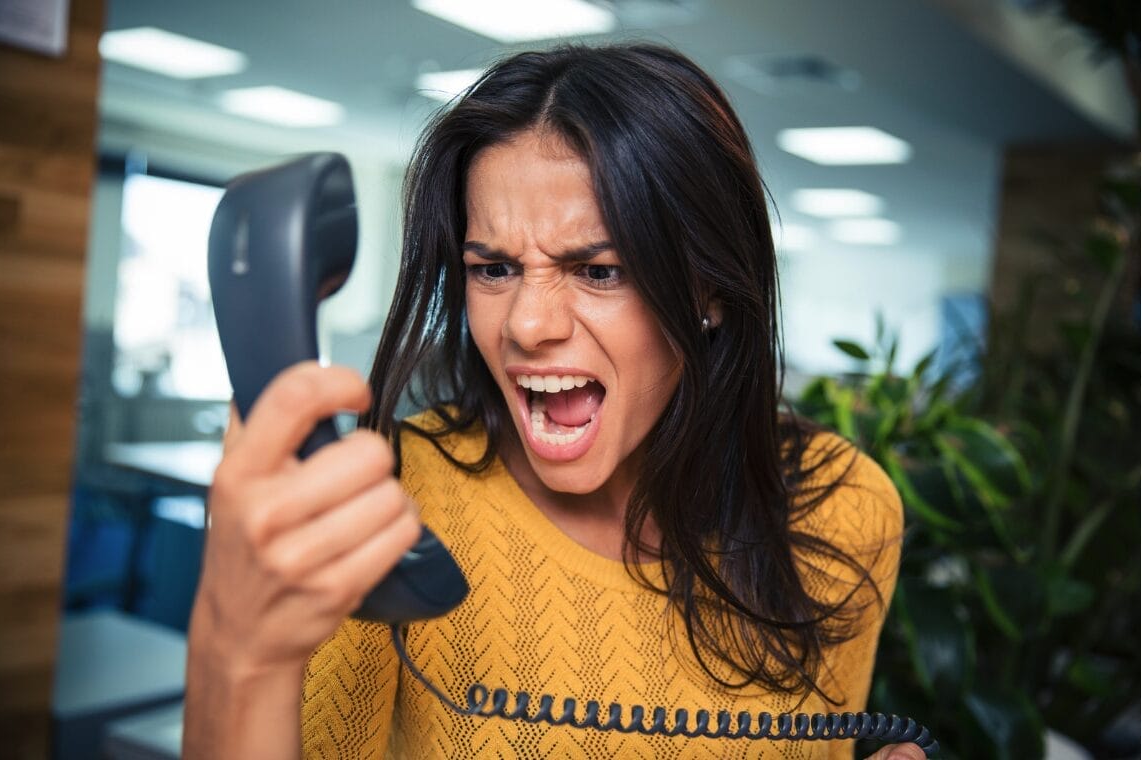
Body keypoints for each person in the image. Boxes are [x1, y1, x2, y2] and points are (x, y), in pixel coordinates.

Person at [183, 43, 926, 759]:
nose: (527, 327)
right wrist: (237, 650)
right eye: (495, 268)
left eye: (598, 271)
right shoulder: (387, 510)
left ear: (710, 291)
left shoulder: (843, 512)